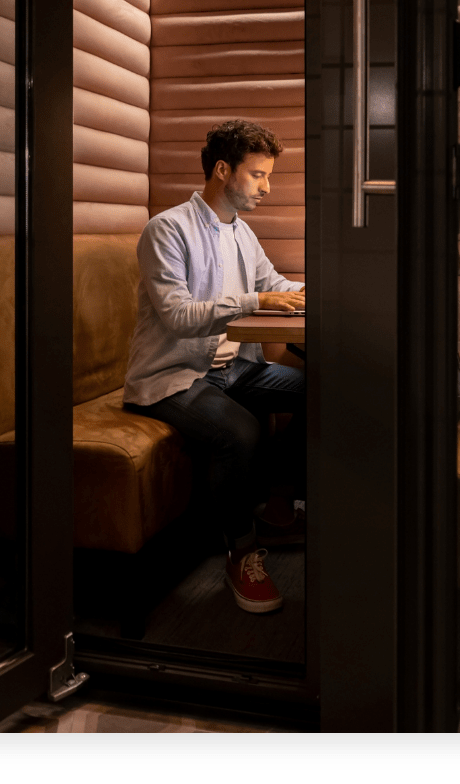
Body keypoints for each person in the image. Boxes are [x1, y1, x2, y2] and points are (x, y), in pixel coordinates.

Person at [124, 119, 306, 614]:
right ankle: (241, 554)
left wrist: (324, 292)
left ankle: (278, 507)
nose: (267, 187)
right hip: (174, 375)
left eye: (269, 177)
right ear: (222, 170)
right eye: (258, 175)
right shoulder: (165, 230)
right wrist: (254, 298)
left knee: (320, 389)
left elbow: (277, 285)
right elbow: (179, 315)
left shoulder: (241, 232)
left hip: (235, 368)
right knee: (241, 432)